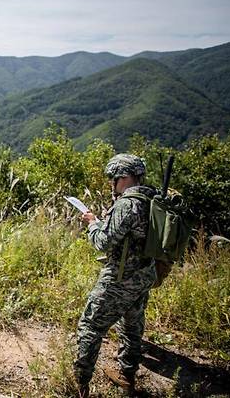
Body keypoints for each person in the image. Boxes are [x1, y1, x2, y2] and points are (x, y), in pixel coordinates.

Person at [74, 154, 157, 396]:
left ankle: (81, 384)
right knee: (132, 324)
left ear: (124, 178)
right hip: (144, 274)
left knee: (90, 326)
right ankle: (126, 374)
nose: (112, 183)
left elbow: (102, 242)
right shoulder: (152, 198)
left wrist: (91, 223)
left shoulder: (127, 204)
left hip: (121, 278)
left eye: (114, 178)